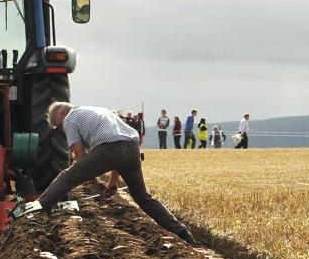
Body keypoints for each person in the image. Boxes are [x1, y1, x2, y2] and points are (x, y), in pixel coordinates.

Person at [39, 103, 196, 244]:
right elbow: (119, 152)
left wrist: (94, 183)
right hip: (133, 148)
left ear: (61, 114)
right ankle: (182, 232)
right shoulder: (99, 110)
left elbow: (80, 156)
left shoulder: (70, 118)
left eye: (59, 126)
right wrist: (112, 183)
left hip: (109, 149)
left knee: (67, 176)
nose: (62, 129)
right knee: (142, 196)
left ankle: (38, 210)